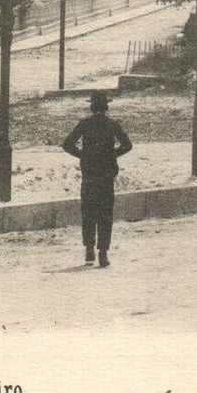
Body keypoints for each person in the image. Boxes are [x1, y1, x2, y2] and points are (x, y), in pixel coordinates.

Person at [61, 91, 133, 268]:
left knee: (88, 212)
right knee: (105, 214)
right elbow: (127, 145)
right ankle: (103, 253)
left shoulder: (85, 124)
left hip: (90, 174)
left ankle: (89, 249)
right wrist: (112, 155)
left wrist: (83, 156)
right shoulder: (112, 124)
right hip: (106, 174)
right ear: (106, 107)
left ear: (92, 107)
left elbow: (67, 145)